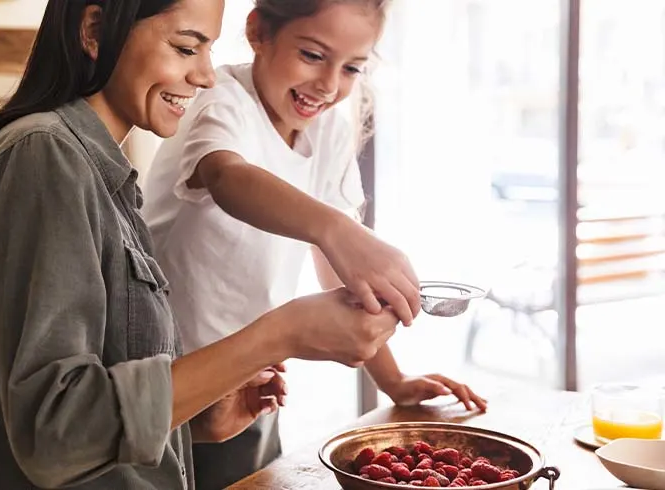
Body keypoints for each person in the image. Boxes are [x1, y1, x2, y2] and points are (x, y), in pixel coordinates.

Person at [0, 1, 402, 489]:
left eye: (208, 50)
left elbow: (95, 416)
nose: (206, 76)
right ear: (94, 30)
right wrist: (281, 333)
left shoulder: (98, 174)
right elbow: (58, 436)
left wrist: (192, 423)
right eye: (185, 47)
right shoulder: (43, 157)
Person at [141, 1, 488, 488]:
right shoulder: (221, 99)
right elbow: (227, 175)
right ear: (259, 32)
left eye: (351, 68)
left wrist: (393, 381)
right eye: (312, 54)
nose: (329, 85)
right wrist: (338, 229)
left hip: (252, 384)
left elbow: (339, 269)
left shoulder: (324, 131)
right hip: (172, 386)